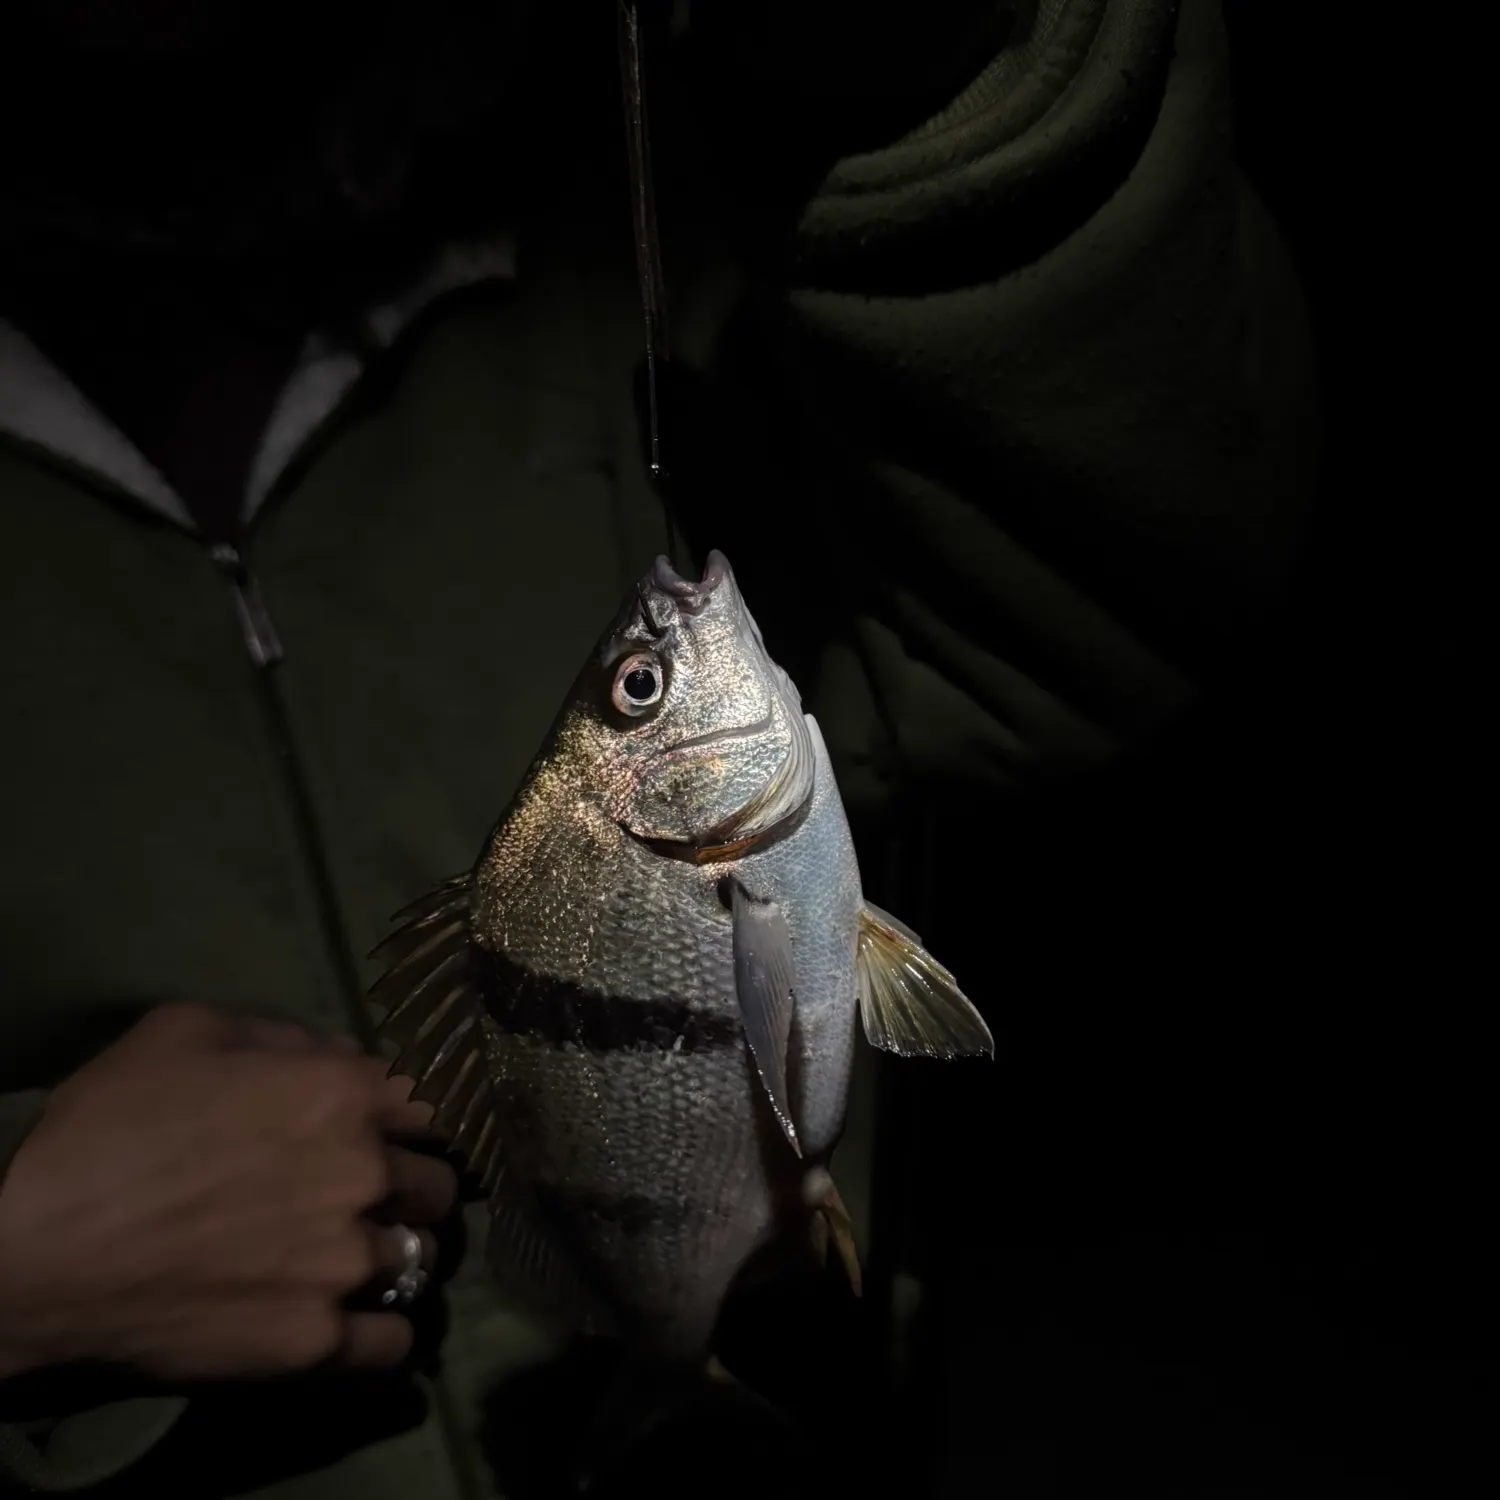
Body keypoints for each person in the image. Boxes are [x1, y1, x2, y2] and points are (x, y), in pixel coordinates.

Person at [0, 2, 1317, 1497]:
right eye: (641, 685)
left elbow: (1151, 582)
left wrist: (950, 75)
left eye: (634, 687)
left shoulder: (652, 221)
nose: (661, 639)